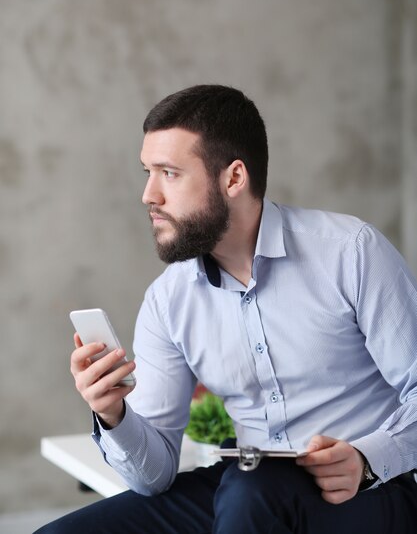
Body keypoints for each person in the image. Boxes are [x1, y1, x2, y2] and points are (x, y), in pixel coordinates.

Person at [36, 85, 417, 534]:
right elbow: (152, 476)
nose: (148, 195)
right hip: (250, 490)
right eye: (147, 172)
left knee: (248, 494)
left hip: (371, 488)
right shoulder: (168, 300)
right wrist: (114, 415)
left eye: (169, 173)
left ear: (234, 178)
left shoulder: (351, 253)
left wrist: (367, 459)